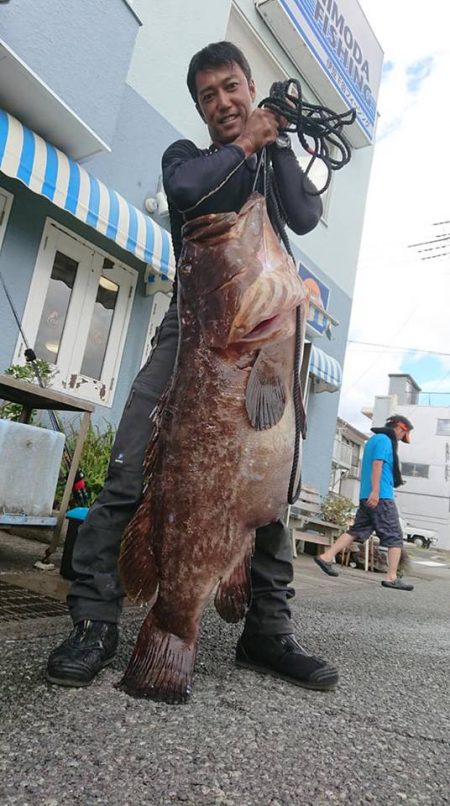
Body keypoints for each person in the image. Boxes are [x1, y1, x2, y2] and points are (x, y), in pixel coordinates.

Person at [46, 41, 338, 692]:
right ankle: (94, 621)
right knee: (129, 463)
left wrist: (277, 141)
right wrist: (246, 142)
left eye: (232, 87)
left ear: (250, 85)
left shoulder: (266, 155)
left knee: (266, 486)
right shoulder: (190, 158)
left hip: (267, 333)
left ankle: (267, 630)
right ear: (201, 109)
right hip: (199, 323)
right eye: (209, 96)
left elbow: (306, 213)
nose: (224, 102)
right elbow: (183, 188)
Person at [315, 414, 415, 591]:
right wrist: (376, 491)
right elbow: (377, 464)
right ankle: (392, 577)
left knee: (357, 530)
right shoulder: (385, 440)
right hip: (380, 496)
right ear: (400, 428)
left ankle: (326, 557)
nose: (401, 439)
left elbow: (376, 466)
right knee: (395, 536)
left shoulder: (373, 440)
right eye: (402, 435)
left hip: (366, 495)